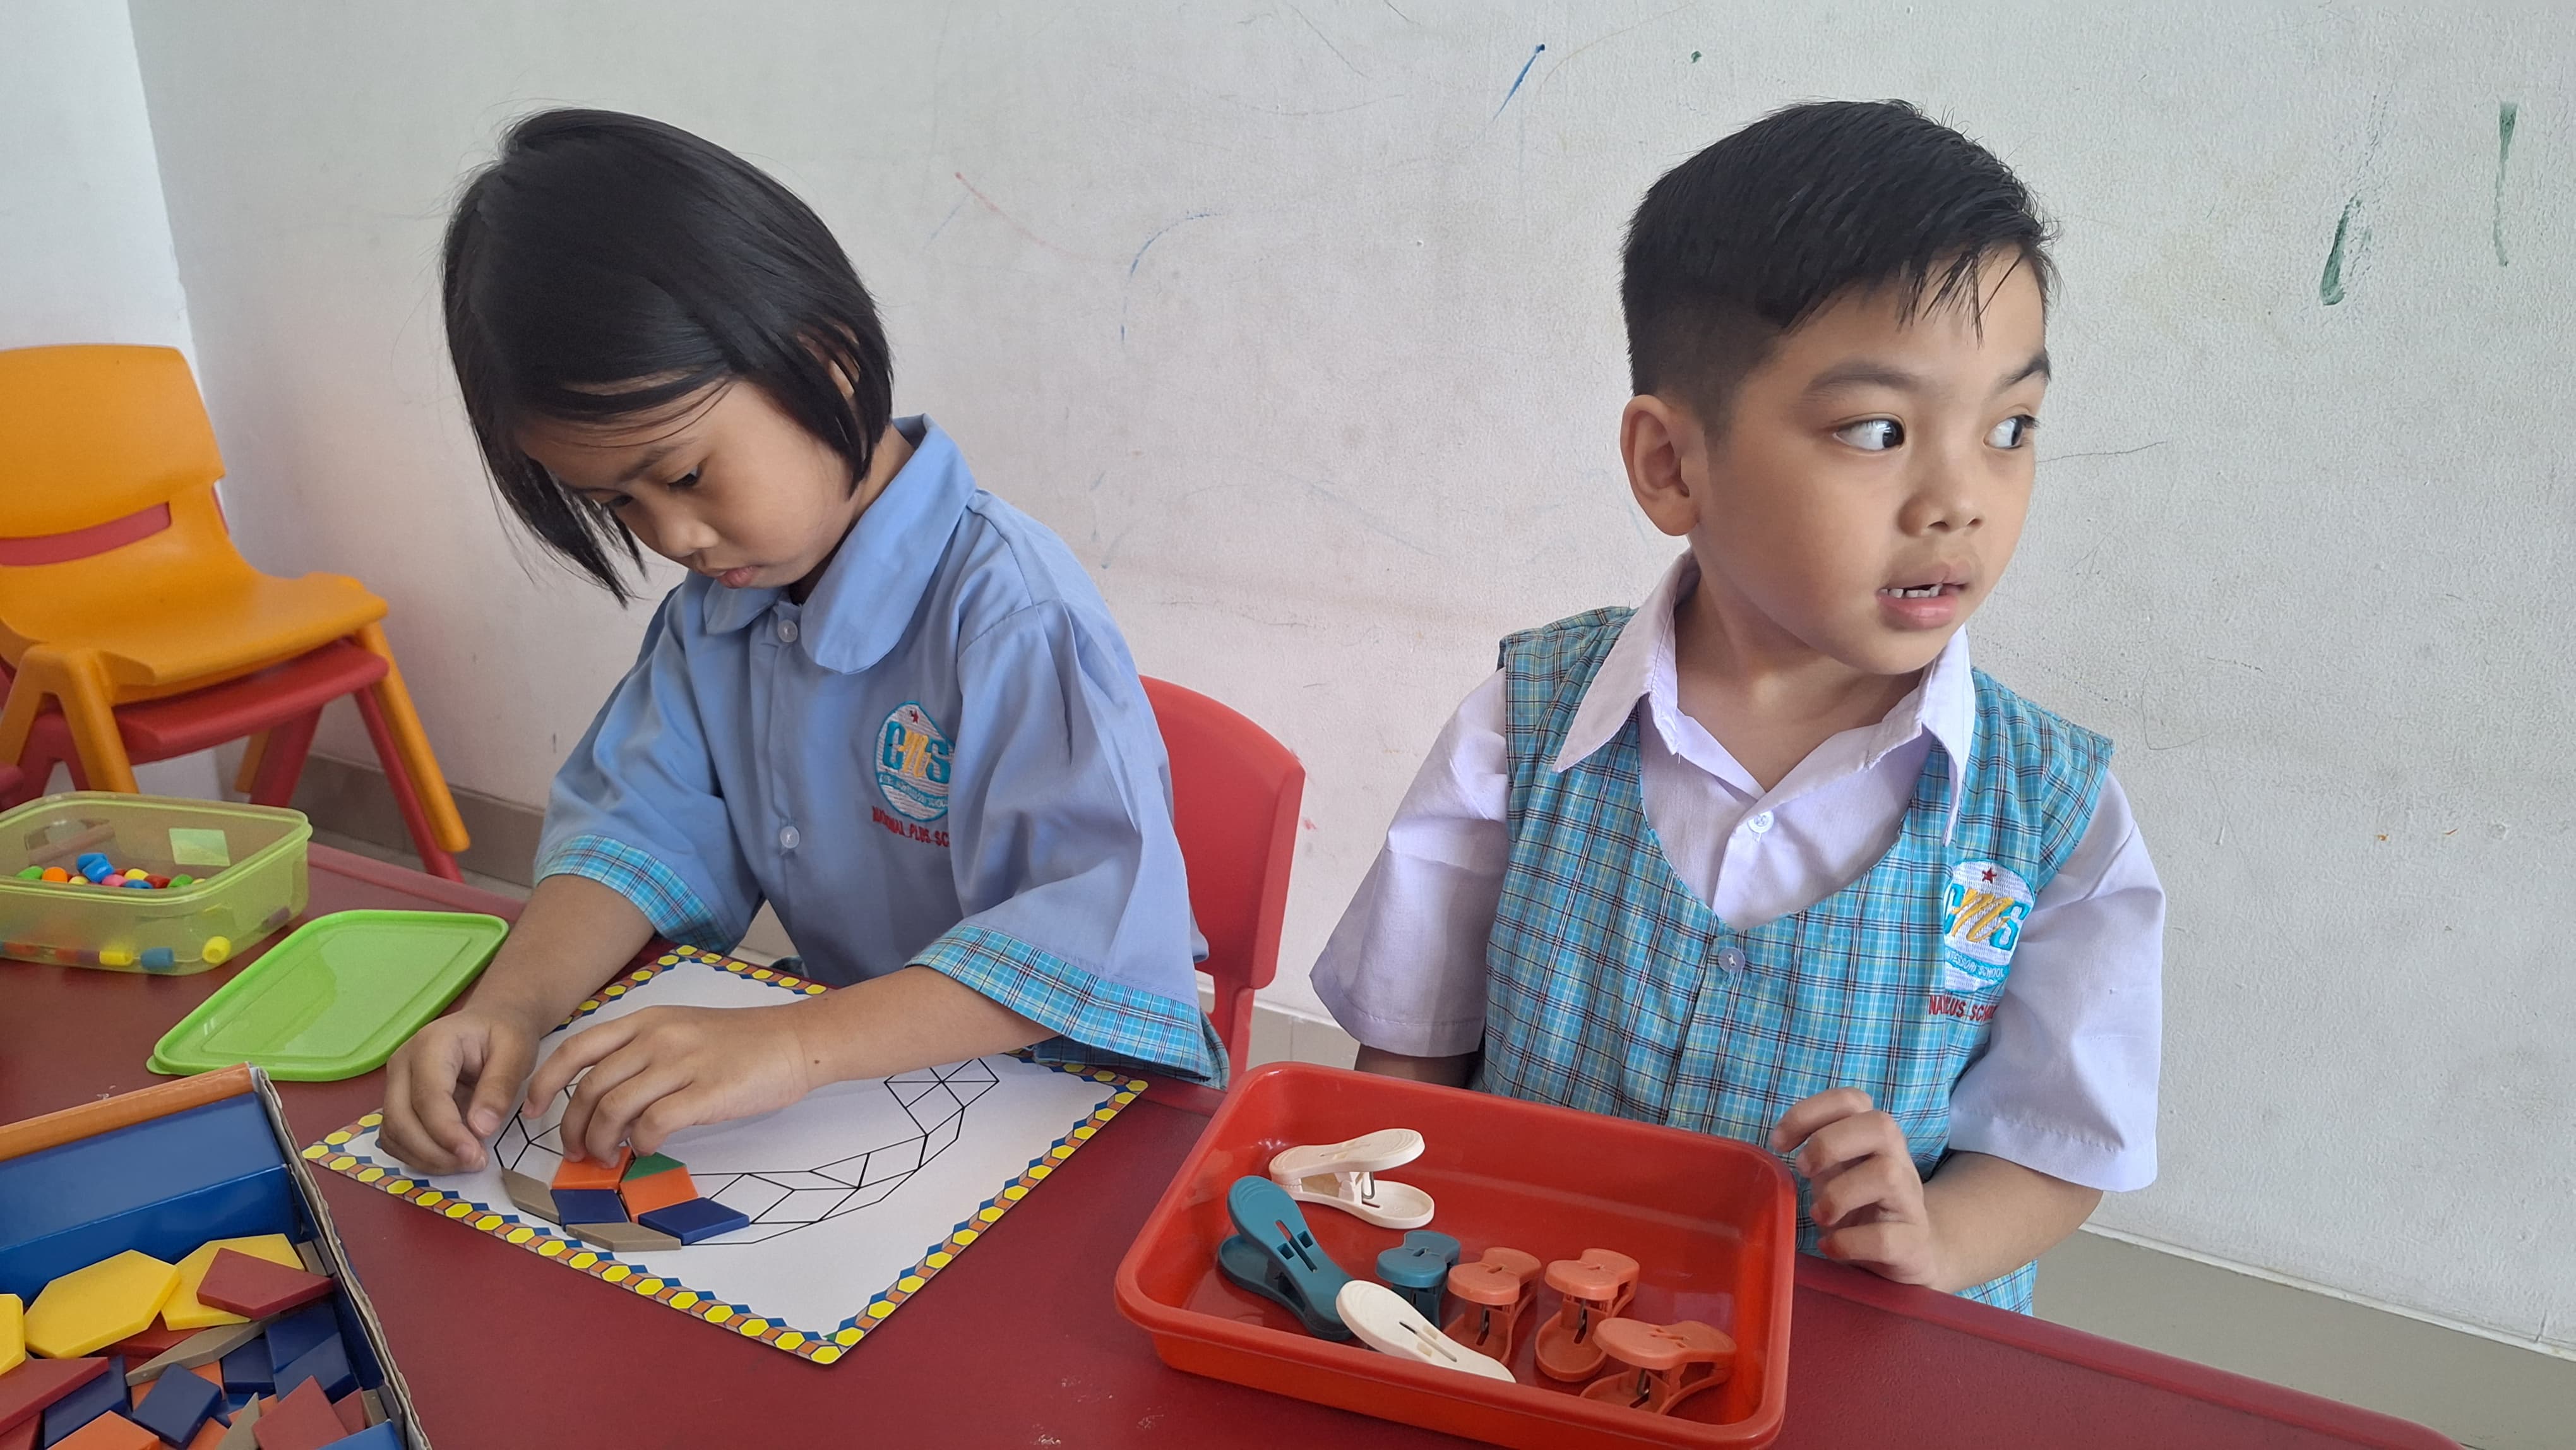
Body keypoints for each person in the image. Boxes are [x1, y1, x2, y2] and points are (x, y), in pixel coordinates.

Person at [1314, 100, 2163, 1311]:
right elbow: (1410, 1057)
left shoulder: (2054, 815)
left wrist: (1937, 1238)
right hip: (1528, 1331)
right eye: (1878, 430)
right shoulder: (1525, 728)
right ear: (1673, 465)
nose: (1960, 498)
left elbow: (2058, 1141)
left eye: (2010, 428)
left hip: (1859, 1362)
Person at [379, 109, 1218, 1176]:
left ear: (826, 362)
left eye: (684, 475)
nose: (673, 537)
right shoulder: (715, 614)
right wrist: (511, 1004)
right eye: (618, 502)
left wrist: (798, 1044)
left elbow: (1090, 935)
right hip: (864, 1093)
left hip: (1061, 1110)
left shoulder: (1012, 613)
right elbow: (638, 831)